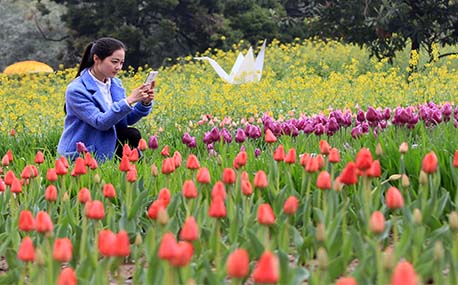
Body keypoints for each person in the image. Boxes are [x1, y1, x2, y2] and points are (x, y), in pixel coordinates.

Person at [57, 37, 154, 161]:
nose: (119, 67)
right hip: (85, 153)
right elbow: (100, 122)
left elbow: (125, 120)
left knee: (132, 134)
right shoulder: (76, 90)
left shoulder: (115, 84)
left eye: (121, 62)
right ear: (96, 58)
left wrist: (144, 103)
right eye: (114, 62)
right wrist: (129, 101)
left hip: (109, 144)